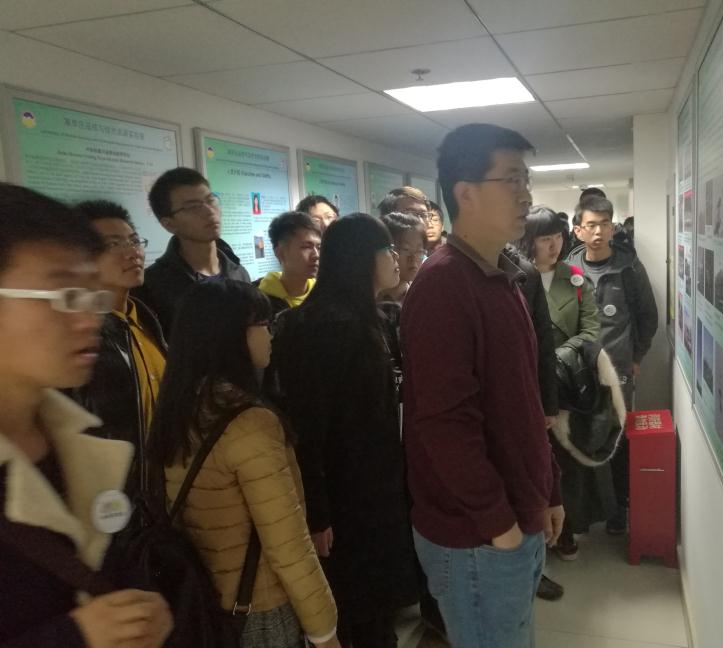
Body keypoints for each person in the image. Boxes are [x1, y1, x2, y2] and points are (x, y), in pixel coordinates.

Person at [401, 124, 564, 648]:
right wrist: (501, 526)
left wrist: (549, 490)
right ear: (466, 193)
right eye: (511, 179)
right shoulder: (443, 285)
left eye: (526, 179)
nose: (526, 195)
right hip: (478, 537)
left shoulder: (500, 276)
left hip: (511, 522)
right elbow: (444, 425)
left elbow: (523, 402)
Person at [0, 182, 172, 647]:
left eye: (90, 296)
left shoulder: (76, 441)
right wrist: (76, 637)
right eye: (63, 295)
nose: (90, 319)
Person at [148, 280, 339, 648]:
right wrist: (326, 633)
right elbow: (288, 548)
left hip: (205, 602)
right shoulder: (250, 424)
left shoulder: (180, 408)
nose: (270, 334)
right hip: (257, 609)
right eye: (262, 324)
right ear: (231, 336)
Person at [269, 215, 418, 648]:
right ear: (360, 257)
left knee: (375, 611)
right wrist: (318, 513)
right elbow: (308, 426)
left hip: (375, 489)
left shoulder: (371, 317)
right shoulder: (323, 327)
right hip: (344, 499)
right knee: (353, 610)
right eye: (387, 249)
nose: (396, 259)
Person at [516, 206, 610, 560]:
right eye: (545, 238)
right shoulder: (514, 277)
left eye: (558, 236)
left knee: (565, 462)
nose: (554, 245)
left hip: (566, 382)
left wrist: (555, 357)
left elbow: (591, 330)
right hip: (525, 382)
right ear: (529, 240)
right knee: (529, 459)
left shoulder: (574, 278)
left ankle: (565, 530)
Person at [69, 200, 167, 532]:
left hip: (159, 497)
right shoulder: (80, 336)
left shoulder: (146, 319)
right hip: (111, 508)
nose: (132, 252)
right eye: (113, 244)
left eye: (134, 240)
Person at [567, 196, 658, 534]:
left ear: (612, 228)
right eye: (591, 225)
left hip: (618, 368)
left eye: (604, 224)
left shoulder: (629, 268)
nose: (598, 232)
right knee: (582, 437)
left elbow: (648, 317)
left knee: (617, 438)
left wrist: (636, 358)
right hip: (580, 370)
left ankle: (619, 508)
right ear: (578, 230)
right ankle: (585, 510)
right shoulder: (569, 270)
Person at [134, 167, 250, 336]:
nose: (209, 211)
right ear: (169, 224)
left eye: (211, 201)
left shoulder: (238, 273)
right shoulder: (153, 286)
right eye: (193, 207)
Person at [256, 211, 321, 318]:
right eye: (306, 247)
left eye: (318, 247)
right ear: (280, 253)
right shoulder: (261, 303)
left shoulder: (322, 294)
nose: (316, 255)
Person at [378, 211, 426, 304]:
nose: (413, 259)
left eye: (419, 251)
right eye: (405, 249)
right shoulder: (366, 298)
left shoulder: (422, 297)